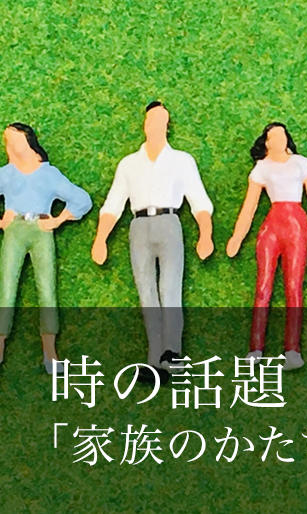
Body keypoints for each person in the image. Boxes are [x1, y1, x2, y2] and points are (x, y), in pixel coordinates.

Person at [92, 101, 214, 384]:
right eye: (152, 120)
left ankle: (172, 353)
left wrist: (205, 233)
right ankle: (154, 359)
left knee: (170, 290)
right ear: (145, 124)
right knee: (146, 293)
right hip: (139, 226)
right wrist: (101, 239)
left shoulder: (182, 161)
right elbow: (113, 204)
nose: (156, 125)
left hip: (169, 222)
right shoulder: (129, 164)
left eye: (162, 120)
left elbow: (199, 200)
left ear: (167, 126)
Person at [226, 122, 307, 371]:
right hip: (272, 227)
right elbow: (249, 206)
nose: (278, 140)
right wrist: (237, 236)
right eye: (272, 137)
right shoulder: (262, 168)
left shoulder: (301, 164)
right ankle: (255, 348)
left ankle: (292, 350)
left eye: (282, 135)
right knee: (262, 287)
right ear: (266, 143)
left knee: (293, 287)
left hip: (296, 226)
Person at [0, 123, 92, 374]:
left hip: (41, 230)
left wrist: (57, 220)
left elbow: (82, 199)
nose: (11, 147)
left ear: (28, 142)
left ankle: (50, 353)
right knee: (6, 288)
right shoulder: (6, 174)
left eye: (14, 140)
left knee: (47, 290)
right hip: (14, 231)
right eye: (7, 142)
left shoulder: (48, 174)